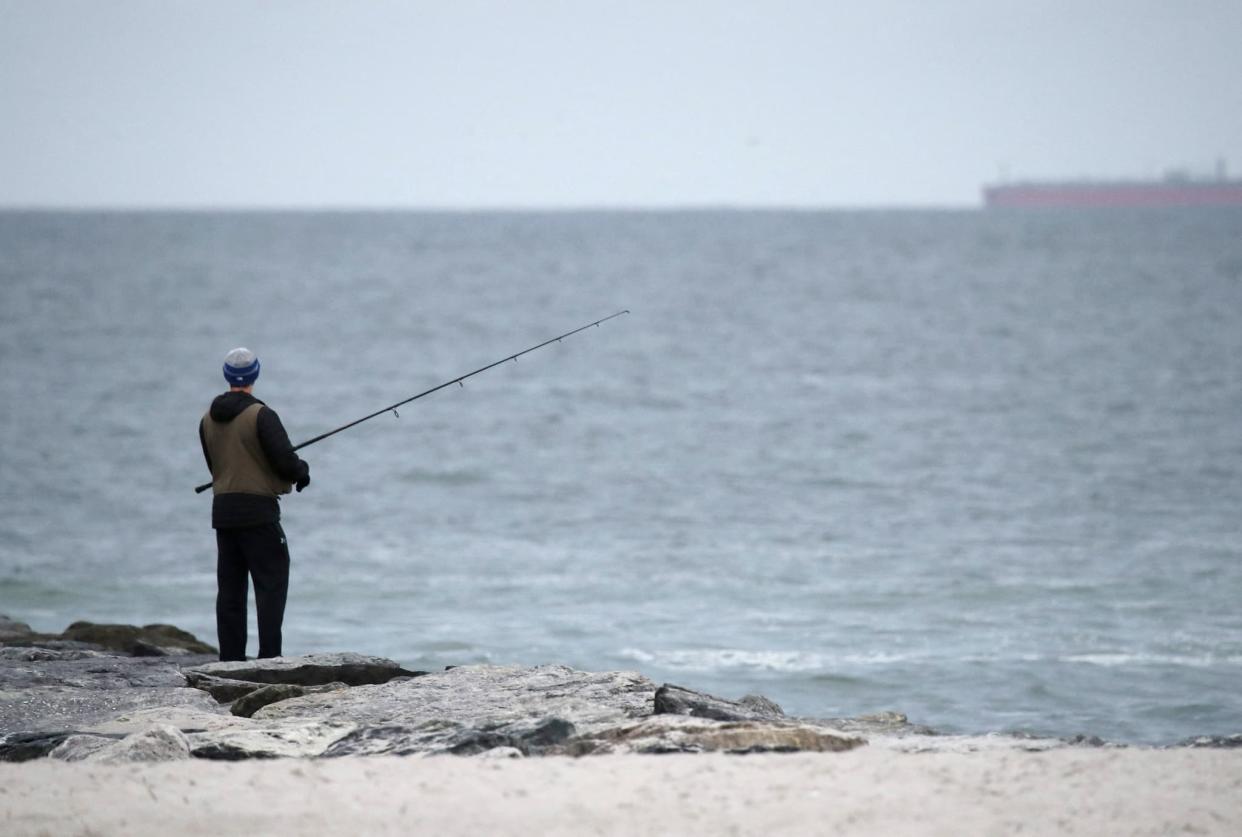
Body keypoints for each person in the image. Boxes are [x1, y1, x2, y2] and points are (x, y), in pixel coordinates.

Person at [199, 348, 310, 661]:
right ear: (254, 375)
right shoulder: (261, 415)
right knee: (271, 584)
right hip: (259, 514)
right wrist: (302, 472)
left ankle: (231, 660)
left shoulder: (207, 419)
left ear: (227, 376)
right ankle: (269, 660)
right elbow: (285, 462)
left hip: (223, 513)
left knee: (230, 591)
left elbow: (215, 466)